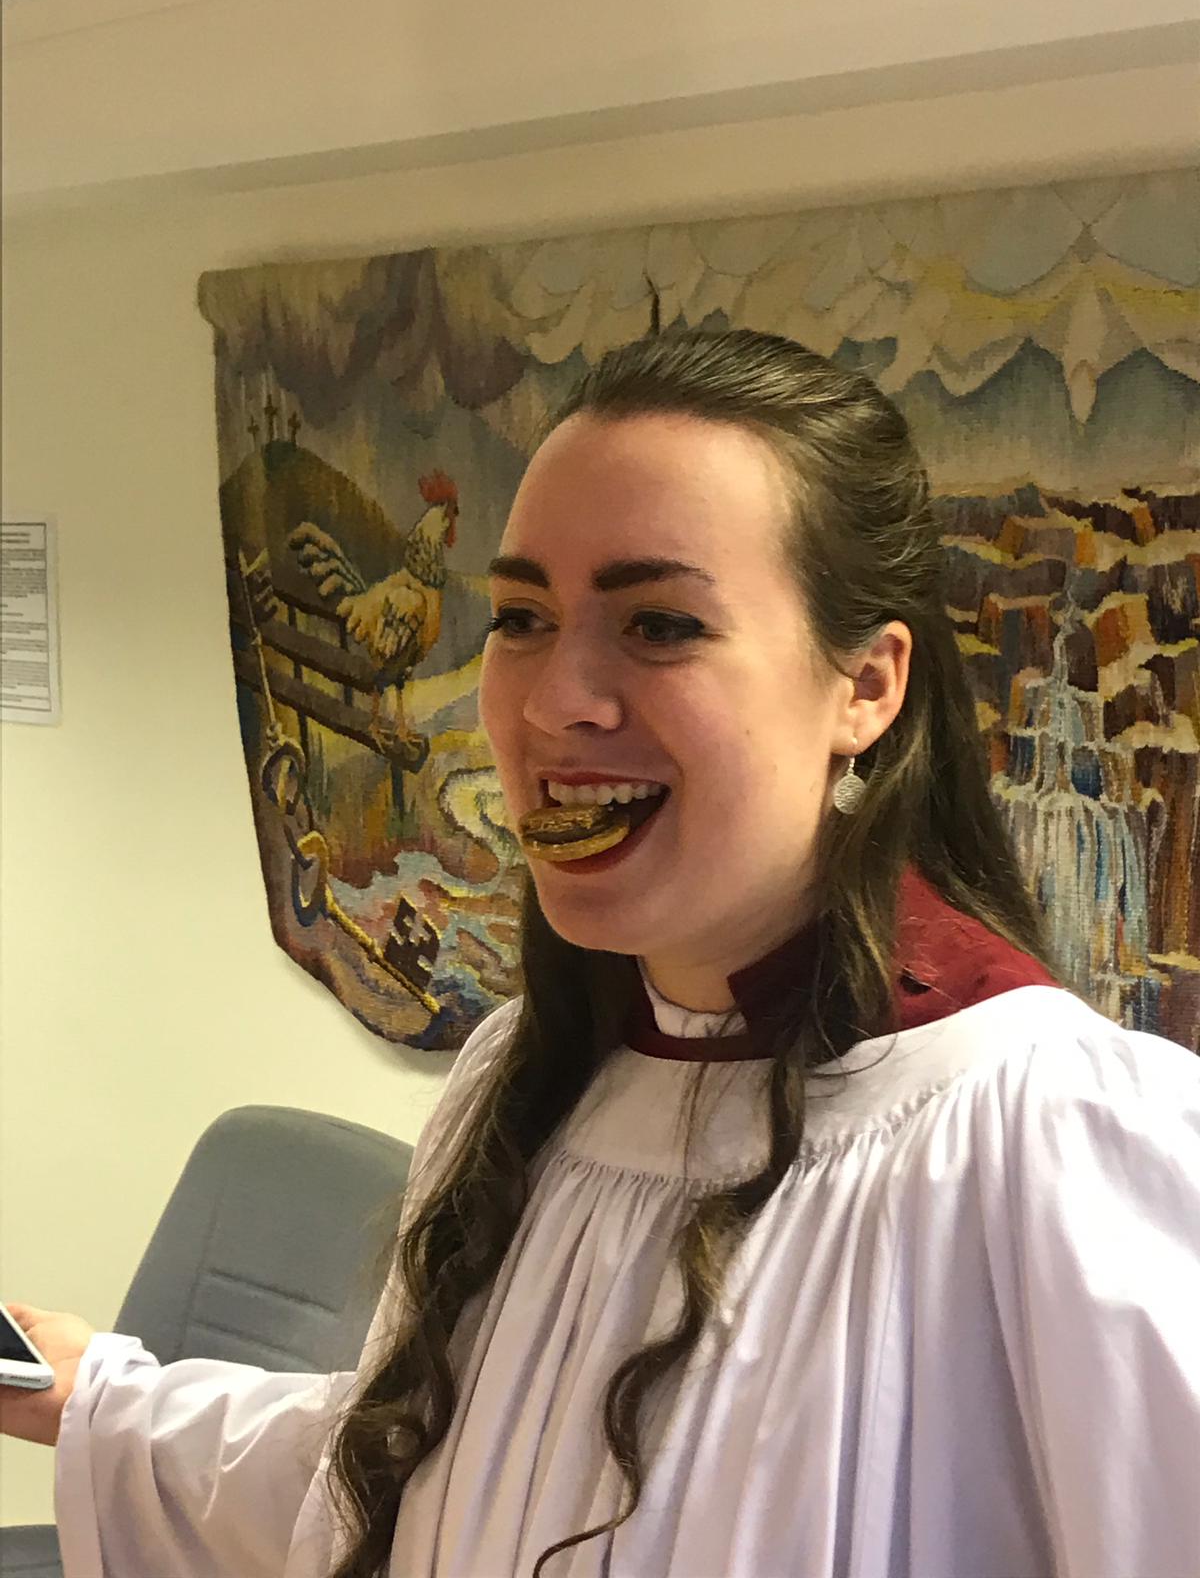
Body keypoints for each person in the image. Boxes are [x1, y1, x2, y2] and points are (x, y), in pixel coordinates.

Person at [4, 327, 1199, 1577]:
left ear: (867, 685)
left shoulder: (1048, 1146)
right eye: (521, 615)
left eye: (661, 624)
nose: (553, 696)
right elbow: (431, 1482)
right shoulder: (523, 1076)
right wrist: (99, 1399)